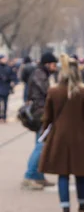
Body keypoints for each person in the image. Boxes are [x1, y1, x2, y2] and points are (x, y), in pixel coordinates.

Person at [38, 55, 84, 212]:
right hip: (80, 137)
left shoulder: (54, 91)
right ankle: (82, 204)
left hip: (59, 136)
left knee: (62, 174)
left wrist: (45, 133)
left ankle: (65, 209)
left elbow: (47, 116)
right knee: (80, 173)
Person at [21, 53, 58, 190]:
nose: (55, 67)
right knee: (41, 145)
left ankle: (38, 176)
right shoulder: (40, 75)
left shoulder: (41, 73)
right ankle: (29, 176)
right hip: (40, 113)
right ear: (48, 64)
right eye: (54, 65)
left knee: (41, 144)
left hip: (41, 112)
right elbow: (48, 93)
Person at [0, 54, 17, 121]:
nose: (4, 60)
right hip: (0, 86)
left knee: (5, 103)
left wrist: (12, 82)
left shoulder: (8, 68)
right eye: (3, 59)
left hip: (6, 87)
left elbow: (13, 76)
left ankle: (4, 116)